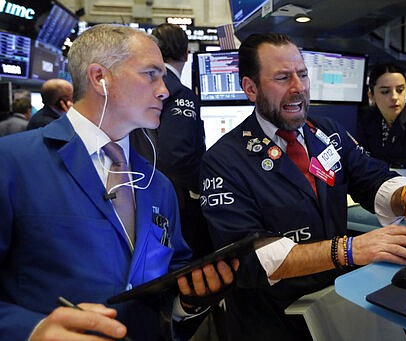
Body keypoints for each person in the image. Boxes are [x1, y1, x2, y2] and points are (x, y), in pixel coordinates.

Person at [199, 32, 406, 340]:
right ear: (250, 88)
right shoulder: (223, 161)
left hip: (337, 300)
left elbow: (370, 176)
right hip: (274, 319)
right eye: (282, 78)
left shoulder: (325, 132)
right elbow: (252, 259)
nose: (298, 88)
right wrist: (349, 249)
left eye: (303, 74)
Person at [0, 24, 237, 341]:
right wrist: (32, 330)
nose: (164, 90)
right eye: (150, 74)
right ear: (100, 78)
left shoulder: (159, 186)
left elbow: (168, 277)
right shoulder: (13, 162)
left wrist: (188, 300)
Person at [130, 23, 211, 259]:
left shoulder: (140, 89)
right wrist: (203, 186)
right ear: (187, 54)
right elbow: (178, 156)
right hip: (178, 201)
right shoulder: (179, 94)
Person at [357, 63, 406, 175]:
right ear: (371, 95)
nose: (394, 97)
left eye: (400, 90)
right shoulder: (366, 121)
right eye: (385, 91)